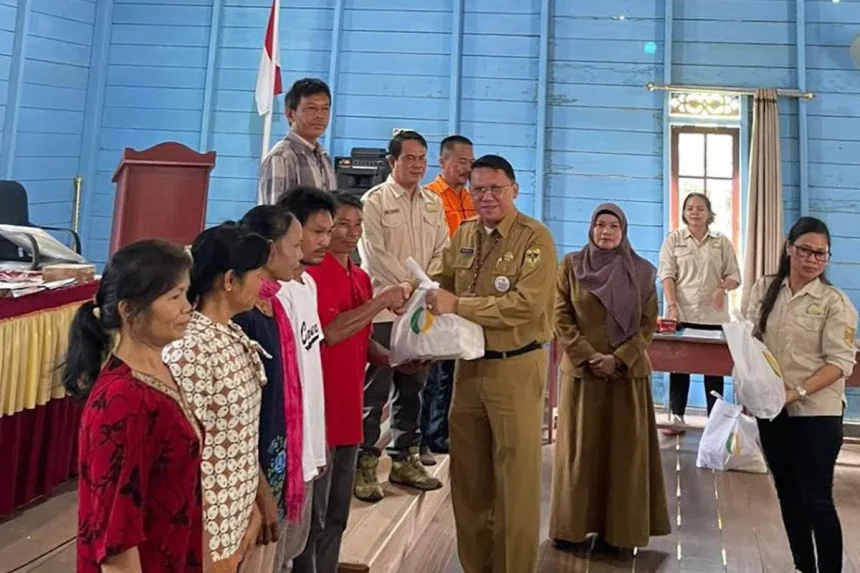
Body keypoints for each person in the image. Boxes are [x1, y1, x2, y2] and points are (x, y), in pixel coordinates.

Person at [425, 154, 557, 573]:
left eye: (495, 188)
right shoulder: (464, 234)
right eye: (477, 189)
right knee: (469, 481)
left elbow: (525, 305)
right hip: (468, 369)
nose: (486, 197)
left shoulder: (535, 238)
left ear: (514, 189)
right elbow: (442, 284)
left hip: (515, 367)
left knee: (515, 482)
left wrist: (459, 305)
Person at [64, 240, 200, 573]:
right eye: (174, 297)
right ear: (129, 311)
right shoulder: (122, 400)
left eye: (185, 294)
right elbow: (116, 539)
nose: (187, 308)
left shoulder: (159, 371)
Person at [548, 203, 670, 555]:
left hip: (625, 378)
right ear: (591, 228)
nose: (606, 231)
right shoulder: (571, 266)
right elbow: (560, 315)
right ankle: (571, 528)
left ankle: (620, 532)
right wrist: (589, 356)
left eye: (613, 226)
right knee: (579, 454)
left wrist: (618, 359)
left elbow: (647, 325)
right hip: (583, 375)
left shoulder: (642, 272)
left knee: (623, 456)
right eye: (600, 225)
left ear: (623, 231)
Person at [301, 191, 411, 573]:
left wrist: (395, 359)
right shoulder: (311, 276)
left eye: (357, 225)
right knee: (313, 519)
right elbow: (331, 332)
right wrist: (380, 303)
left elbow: (360, 340)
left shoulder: (360, 276)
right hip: (320, 412)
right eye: (341, 225)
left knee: (338, 513)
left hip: (350, 410)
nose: (351, 233)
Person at [745, 216, 857, 573]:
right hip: (772, 410)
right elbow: (751, 343)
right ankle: (803, 566)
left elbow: (840, 363)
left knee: (817, 499)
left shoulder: (835, 302)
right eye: (805, 250)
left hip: (817, 414)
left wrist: (796, 392)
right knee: (788, 495)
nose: (812, 259)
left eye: (821, 254)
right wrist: (750, 386)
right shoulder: (766, 289)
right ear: (789, 249)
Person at [163, 224, 271, 572]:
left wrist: (252, 501)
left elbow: (237, 437)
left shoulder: (228, 333)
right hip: (204, 533)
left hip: (233, 518)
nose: (263, 283)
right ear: (229, 280)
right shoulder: (191, 348)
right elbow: (182, 455)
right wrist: (205, 542)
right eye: (257, 274)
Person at [354, 130, 448, 501]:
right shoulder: (374, 201)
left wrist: (422, 288)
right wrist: (407, 287)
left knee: (414, 387)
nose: (417, 165)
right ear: (392, 161)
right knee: (375, 388)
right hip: (383, 307)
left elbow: (443, 250)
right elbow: (374, 253)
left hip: (420, 309)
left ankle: (404, 458)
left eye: (422, 158)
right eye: (409, 158)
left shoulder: (433, 203)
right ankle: (364, 461)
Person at [233, 205, 308, 573]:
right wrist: (260, 488)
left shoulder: (272, 304)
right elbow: (234, 419)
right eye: (295, 245)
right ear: (269, 248)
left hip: (272, 452)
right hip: (248, 472)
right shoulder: (242, 317)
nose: (301, 254)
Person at [274, 186, 336, 572]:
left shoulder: (308, 284)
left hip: (310, 445)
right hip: (287, 449)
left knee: (295, 548)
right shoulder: (275, 294)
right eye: (316, 232)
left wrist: (317, 438)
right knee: (275, 555)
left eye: (329, 232)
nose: (325, 241)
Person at [659, 192, 741, 431]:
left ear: (709, 213)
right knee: (679, 367)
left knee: (713, 372)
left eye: (700, 208)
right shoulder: (674, 240)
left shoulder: (721, 242)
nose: (694, 212)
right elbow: (667, 274)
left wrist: (722, 288)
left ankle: (715, 423)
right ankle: (676, 419)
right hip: (681, 315)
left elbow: (735, 276)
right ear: (684, 213)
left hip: (714, 317)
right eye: (690, 208)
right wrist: (672, 306)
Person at [420, 135, 476, 462]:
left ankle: (443, 431)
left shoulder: (473, 198)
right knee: (431, 368)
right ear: (442, 162)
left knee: (454, 366)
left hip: (464, 295)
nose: (467, 168)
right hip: (437, 289)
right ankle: (424, 437)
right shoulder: (429, 198)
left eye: (471, 162)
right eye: (461, 162)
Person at [259, 78, 336, 204]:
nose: (320, 115)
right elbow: (275, 212)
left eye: (325, 109)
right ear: (290, 114)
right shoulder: (281, 157)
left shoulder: (324, 157)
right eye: (311, 108)